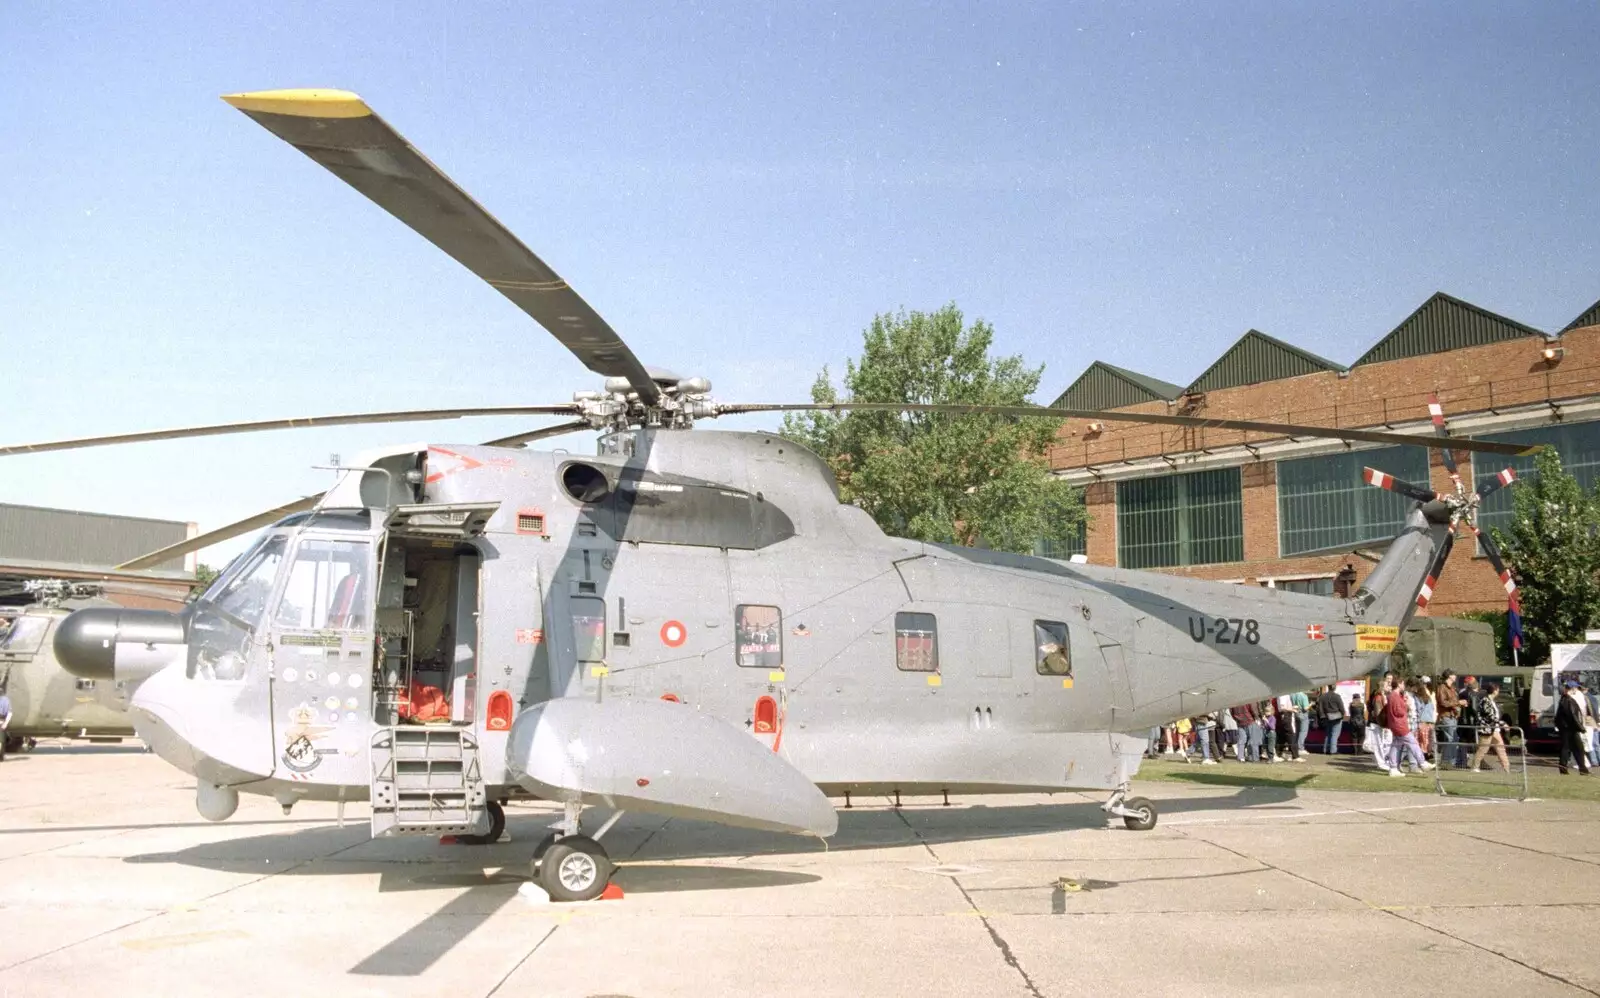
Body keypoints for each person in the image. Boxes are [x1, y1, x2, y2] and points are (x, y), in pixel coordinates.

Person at [1386, 679, 1432, 776]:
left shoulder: (1393, 696)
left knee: (1396, 746)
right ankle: (1422, 763)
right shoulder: (1395, 696)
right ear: (1398, 684)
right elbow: (1399, 712)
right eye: (1402, 683)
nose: (1404, 685)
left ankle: (1393, 768)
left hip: (1396, 724)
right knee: (1413, 742)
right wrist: (1406, 706)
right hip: (1400, 724)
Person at [1469, 682, 1513, 773]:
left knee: (1501, 748)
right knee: (1483, 749)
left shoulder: (1492, 702)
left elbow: (1495, 716)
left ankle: (1507, 768)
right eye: (1498, 689)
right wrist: (1503, 724)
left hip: (1495, 730)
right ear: (1494, 691)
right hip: (1486, 730)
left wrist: (1499, 724)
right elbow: (1490, 716)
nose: (1498, 691)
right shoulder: (1485, 701)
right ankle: (1474, 767)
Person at [1555, 680, 1592, 776]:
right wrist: (1581, 727)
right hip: (1570, 729)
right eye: (1575, 688)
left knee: (1576, 749)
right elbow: (1573, 715)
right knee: (1570, 748)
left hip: (1568, 728)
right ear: (1572, 688)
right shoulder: (1568, 700)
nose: (1576, 690)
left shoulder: (1565, 699)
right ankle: (1565, 769)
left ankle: (1582, 769)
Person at [1435, 670, 1462, 768]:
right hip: (1445, 716)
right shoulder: (1442, 687)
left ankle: (1449, 762)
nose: (1455, 676)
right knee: (1450, 738)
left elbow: (1453, 701)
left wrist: (1459, 704)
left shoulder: (1452, 688)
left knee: (1454, 738)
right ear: (1449, 676)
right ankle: (1446, 762)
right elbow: (1443, 702)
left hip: (1453, 716)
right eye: (1453, 674)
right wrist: (1458, 703)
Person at [1317, 685, 1346, 754]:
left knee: (1328, 734)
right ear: (1334, 688)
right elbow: (1341, 707)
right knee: (1334, 734)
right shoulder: (1337, 696)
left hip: (1326, 717)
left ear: (1328, 687)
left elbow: (1320, 708)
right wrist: (1342, 714)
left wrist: (1322, 716)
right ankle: (1333, 750)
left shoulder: (1322, 696)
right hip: (1336, 717)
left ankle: (1325, 749)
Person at [1415, 677, 1437, 759]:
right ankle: (1422, 757)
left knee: (1430, 739)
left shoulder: (1432, 693)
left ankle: (1428, 754)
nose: (1425, 685)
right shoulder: (1419, 693)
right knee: (1423, 740)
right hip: (1423, 719)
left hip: (1430, 719)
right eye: (1423, 683)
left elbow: (1434, 707)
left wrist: (1434, 718)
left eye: (1426, 683)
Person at [1291, 688, 1312, 757]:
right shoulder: (1304, 696)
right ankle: (1300, 748)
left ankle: (1296, 747)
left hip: (1295, 714)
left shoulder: (1292, 694)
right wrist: (1311, 704)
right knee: (1303, 732)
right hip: (1303, 714)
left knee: (1297, 732)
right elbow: (1305, 708)